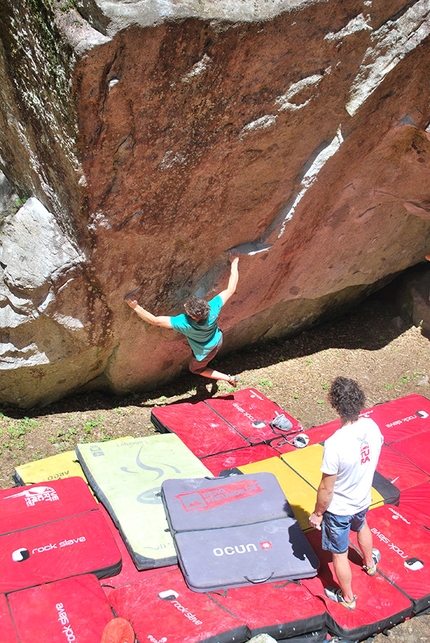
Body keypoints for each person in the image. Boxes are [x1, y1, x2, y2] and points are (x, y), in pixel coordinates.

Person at [308, 376, 383, 610]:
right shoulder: (372, 426)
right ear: (360, 401)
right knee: (362, 526)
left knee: (339, 554)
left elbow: (326, 488)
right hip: (363, 499)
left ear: (335, 405)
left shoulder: (335, 444)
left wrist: (318, 514)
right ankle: (370, 564)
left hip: (339, 510)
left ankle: (348, 597)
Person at [124, 257, 240, 387]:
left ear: (192, 316)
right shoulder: (212, 308)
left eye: (187, 308)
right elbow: (231, 289)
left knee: (196, 369)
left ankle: (229, 378)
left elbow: (154, 320)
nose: (185, 304)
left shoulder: (183, 322)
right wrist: (234, 262)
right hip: (218, 339)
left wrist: (135, 306)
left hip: (206, 352)